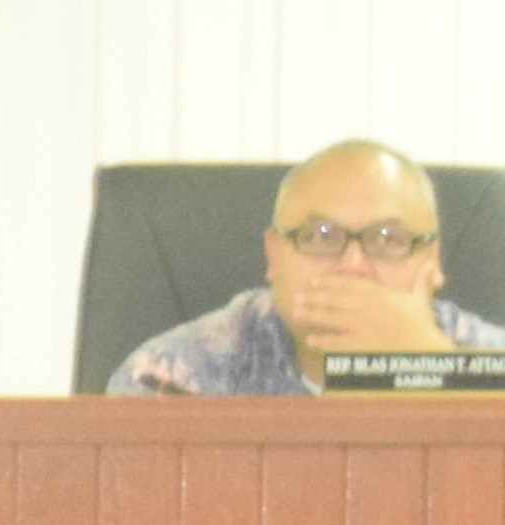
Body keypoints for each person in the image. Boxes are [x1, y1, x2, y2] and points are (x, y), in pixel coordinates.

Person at [111, 138, 503, 394]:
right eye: (320, 236)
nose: (353, 266)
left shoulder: (486, 358)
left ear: (431, 262)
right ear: (273, 256)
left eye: (388, 240)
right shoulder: (176, 376)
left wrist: (428, 367)